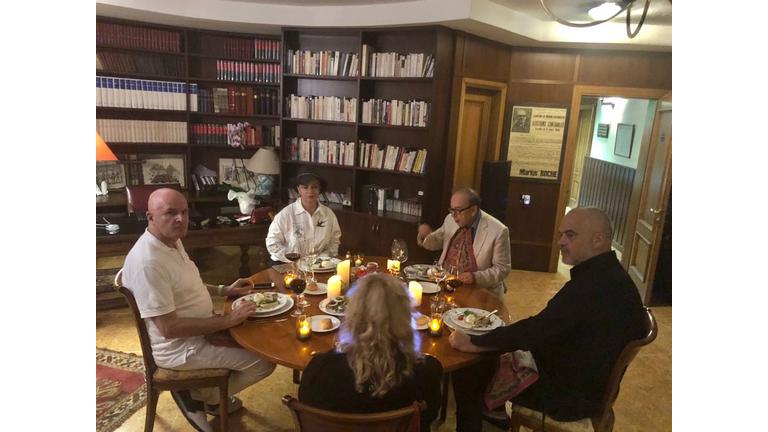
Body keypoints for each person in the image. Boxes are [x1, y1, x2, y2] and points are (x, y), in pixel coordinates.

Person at [448, 207, 646, 431]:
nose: (561, 241)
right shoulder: (609, 275)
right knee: (494, 352)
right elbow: (548, 327)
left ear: (598, 240)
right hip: (581, 377)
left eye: (570, 235)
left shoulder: (593, 288)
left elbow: (535, 330)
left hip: (567, 396)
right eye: (561, 235)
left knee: (469, 370)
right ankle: (493, 412)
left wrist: (475, 342)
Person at [121, 188, 276, 432]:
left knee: (259, 335)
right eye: (171, 213)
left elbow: (187, 286)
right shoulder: (148, 263)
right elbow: (169, 328)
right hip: (181, 348)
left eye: (184, 212)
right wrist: (227, 321)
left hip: (201, 330)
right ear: (150, 217)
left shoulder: (170, 240)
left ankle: (202, 394)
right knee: (264, 362)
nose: (180, 219)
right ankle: (203, 396)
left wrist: (224, 290)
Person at [299, 273, 443, 431]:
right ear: (405, 316)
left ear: (353, 315)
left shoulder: (318, 370)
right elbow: (428, 418)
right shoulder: (427, 371)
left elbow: (308, 410)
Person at [416, 187, 511, 296]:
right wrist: (425, 236)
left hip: (480, 292)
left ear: (473, 210)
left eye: (458, 210)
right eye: (452, 210)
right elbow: (437, 242)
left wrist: (475, 277)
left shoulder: (498, 230)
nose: (453, 215)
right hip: (446, 283)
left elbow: (502, 268)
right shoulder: (450, 219)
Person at [265, 172, 341, 265]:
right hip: (286, 263)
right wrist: (294, 259)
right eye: (305, 187)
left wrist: (321, 259)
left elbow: (334, 241)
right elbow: (272, 243)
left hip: (317, 265)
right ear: (299, 189)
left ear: (319, 189)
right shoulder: (285, 214)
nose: (310, 191)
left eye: (314, 187)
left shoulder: (329, 214)